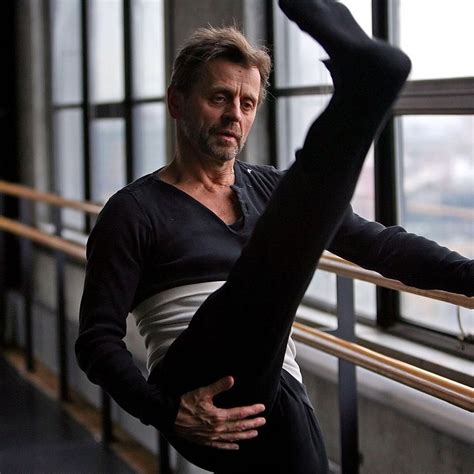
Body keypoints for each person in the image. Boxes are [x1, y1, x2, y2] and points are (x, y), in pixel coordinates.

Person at [76, 1, 473, 472]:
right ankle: (365, 85)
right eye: (219, 98)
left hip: (275, 384)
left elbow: (382, 245)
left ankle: (366, 82)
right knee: (266, 271)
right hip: (197, 389)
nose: (234, 116)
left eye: (247, 104)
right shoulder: (133, 211)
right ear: (176, 102)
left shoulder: (269, 189)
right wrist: (166, 412)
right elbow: (96, 341)